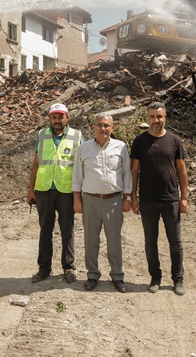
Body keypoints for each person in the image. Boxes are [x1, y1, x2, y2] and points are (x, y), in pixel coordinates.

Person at [131, 102, 189, 296]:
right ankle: (155, 278)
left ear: (165, 118)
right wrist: (133, 196)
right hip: (147, 200)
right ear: (147, 118)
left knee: (175, 241)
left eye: (159, 116)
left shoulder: (174, 141)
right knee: (150, 241)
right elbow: (134, 171)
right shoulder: (140, 141)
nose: (156, 120)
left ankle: (178, 279)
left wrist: (184, 197)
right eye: (152, 117)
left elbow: (181, 170)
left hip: (170, 198)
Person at [72, 113, 132, 293]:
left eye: (106, 125)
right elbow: (77, 175)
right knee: (91, 239)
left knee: (114, 241)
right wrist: (77, 199)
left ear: (112, 128)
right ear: (93, 127)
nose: (103, 128)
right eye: (99, 125)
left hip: (113, 200)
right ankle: (92, 275)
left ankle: (117, 276)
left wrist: (127, 197)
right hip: (90, 200)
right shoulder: (84, 148)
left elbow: (126, 173)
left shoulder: (121, 147)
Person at [27, 103, 83, 283]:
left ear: (67, 117)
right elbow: (36, 163)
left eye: (60, 117)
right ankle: (44, 268)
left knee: (67, 229)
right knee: (45, 231)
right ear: (50, 118)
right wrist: (30, 189)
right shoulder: (42, 135)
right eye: (54, 117)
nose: (57, 120)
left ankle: (68, 267)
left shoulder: (77, 136)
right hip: (44, 190)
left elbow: (81, 166)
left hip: (66, 190)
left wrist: (79, 193)